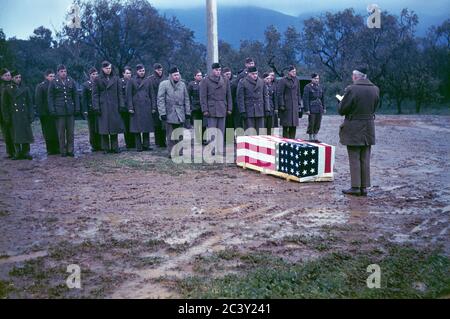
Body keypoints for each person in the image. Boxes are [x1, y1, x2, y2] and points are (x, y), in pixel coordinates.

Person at [338, 67, 380, 197]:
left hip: (354, 126)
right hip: (368, 126)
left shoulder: (351, 89)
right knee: (365, 157)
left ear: (356, 76)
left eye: (352, 75)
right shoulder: (375, 89)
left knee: (354, 157)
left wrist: (341, 101)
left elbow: (342, 110)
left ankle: (355, 187)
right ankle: (364, 187)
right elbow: (375, 107)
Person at [92, 61, 125, 154]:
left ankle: (115, 147)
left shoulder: (116, 78)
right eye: (106, 68)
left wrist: (121, 105)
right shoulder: (97, 79)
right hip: (103, 106)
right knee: (104, 128)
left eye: (110, 68)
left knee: (114, 127)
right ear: (102, 69)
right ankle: (105, 148)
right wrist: (96, 107)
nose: (108, 70)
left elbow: (120, 93)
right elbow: (95, 94)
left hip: (114, 106)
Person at [157, 67, 190, 158]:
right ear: (171, 76)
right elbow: (160, 99)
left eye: (178, 75)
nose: (177, 77)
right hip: (169, 112)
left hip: (180, 113)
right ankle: (171, 152)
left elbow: (186, 99)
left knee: (180, 134)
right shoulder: (164, 84)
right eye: (175, 75)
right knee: (170, 134)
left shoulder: (182, 85)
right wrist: (162, 113)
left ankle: (180, 151)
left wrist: (187, 112)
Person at [199, 63, 232, 155]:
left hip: (222, 107)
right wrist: (204, 109)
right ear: (212, 70)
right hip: (211, 109)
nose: (218, 72)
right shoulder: (205, 81)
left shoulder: (225, 80)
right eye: (216, 70)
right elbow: (203, 96)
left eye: (219, 70)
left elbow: (228, 95)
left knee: (221, 130)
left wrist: (229, 108)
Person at [48, 64, 80, 157]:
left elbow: (76, 95)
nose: (63, 73)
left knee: (70, 132)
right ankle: (63, 151)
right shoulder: (53, 82)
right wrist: (52, 110)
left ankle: (70, 150)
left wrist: (77, 108)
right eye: (61, 71)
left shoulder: (71, 81)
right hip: (59, 111)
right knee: (61, 133)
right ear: (58, 72)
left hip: (70, 110)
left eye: (65, 71)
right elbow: (50, 98)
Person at [1, 71, 34, 160]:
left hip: (24, 115)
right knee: (15, 134)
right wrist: (6, 117)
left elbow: (29, 103)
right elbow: (5, 106)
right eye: (16, 77)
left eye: (19, 77)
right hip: (14, 115)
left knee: (26, 134)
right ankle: (17, 152)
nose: (18, 79)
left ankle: (26, 152)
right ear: (12, 78)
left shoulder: (25, 88)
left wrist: (31, 115)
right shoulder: (7, 89)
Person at [126, 64, 155, 152]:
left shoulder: (148, 81)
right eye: (140, 71)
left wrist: (153, 107)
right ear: (136, 71)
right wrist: (130, 107)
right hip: (136, 106)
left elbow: (152, 95)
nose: (142, 72)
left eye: (143, 71)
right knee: (137, 127)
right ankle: (138, 146)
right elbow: (128, 95)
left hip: (146, 105)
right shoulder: (131, 81)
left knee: (146, 126)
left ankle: (146, 145)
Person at [237, 66, 270, 135]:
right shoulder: (243, 82)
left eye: (256, 73)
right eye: (253, 74)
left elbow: (265, 96)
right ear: (248, 74)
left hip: (260, 109)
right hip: (249, 110)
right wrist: (242, 111)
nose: (255, 75)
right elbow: (240, 98)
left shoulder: (261, 82)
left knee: (261, 132)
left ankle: (260, 145)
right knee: (250, 132)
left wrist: (267, 109)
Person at [35, 69, 59, 155]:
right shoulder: (41, 86)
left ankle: (58, 147)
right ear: (46, 76)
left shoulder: (57, 85)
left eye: (53, 76)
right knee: (48, 132)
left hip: (55, 112)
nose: (52, 78)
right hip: (46, 114)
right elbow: (39, 101)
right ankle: (50, 149)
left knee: (56, 131)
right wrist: (42, 114)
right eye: (50, 76)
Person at [277, 65, 302, 139]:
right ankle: (286, 141)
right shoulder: (283, 80)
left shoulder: (297, 80)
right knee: (286, 125)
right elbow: (280, 93)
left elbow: (298, 93)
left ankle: (292, 140)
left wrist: (299, 104)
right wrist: (282, 104)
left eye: (295, 71)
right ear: (289, 72)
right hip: (286, 105)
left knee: (294, 125)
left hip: (294, 105)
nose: (294, 73)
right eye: (293, 71)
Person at [81, 67, 101, 152]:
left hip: (99, 109)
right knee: (92, 128)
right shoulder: (86, 85)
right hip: (90, 109)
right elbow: (84, 99)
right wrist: (85, 110)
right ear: (90, 75)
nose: (95, 76)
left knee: (100, 127)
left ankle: (101, 144)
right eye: (93, 74)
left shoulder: (100, 83)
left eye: (96, 74)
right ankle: (94, 145)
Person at [303, 73, 326, 142]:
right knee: (312, 123)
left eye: (318, 78)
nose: (317, 80)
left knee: (318, 122)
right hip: (312, 107)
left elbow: (323, 98)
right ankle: (310, 137)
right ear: (312, 79)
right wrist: (307, 109)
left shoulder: (320, 87)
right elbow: (305, 99)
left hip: (319, 107)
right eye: (315, 78)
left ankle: (315, 136)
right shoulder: (308, 87)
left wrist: (324, 107)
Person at [149, 63, 166, 147]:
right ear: (155, 70)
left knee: (164, 123)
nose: (160, 71)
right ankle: (158, 142)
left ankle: (163, 141)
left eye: (161, 70)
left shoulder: (165, 78)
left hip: (164, 104)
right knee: (157, 124)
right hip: (155, 103)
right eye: (158, 70)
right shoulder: (151, 79)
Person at [0, 68, 15, 158]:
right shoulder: (1, 87)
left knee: (13, 132)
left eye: (9, 75)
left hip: (13, 112)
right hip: (3, 113)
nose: (8, 77)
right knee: (7, 133)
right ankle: (10, 151)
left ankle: (16, 150)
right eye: (6, 75)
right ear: (1, 77)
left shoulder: (13, 85)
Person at [120, 66, 135, 149]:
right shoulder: (121, 82)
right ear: (123, 74)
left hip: (133, 106)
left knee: (134, 125)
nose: (129, 75)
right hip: (125, 107)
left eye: (130, 73)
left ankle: (134, 142)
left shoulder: (133, 81)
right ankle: (128, 143)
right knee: (126, 125)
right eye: (127, 73)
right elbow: (121, 95)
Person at [187, 70, 205, 144]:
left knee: (204, 124)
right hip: (195, 107)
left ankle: (203, 139)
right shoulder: (191, 84)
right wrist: (190, 106)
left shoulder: (204, 83)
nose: (200, 77)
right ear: (195, 76)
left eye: (200, 75)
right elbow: (188, 95)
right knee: (197, 124)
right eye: (198, 75)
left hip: (203, 107)